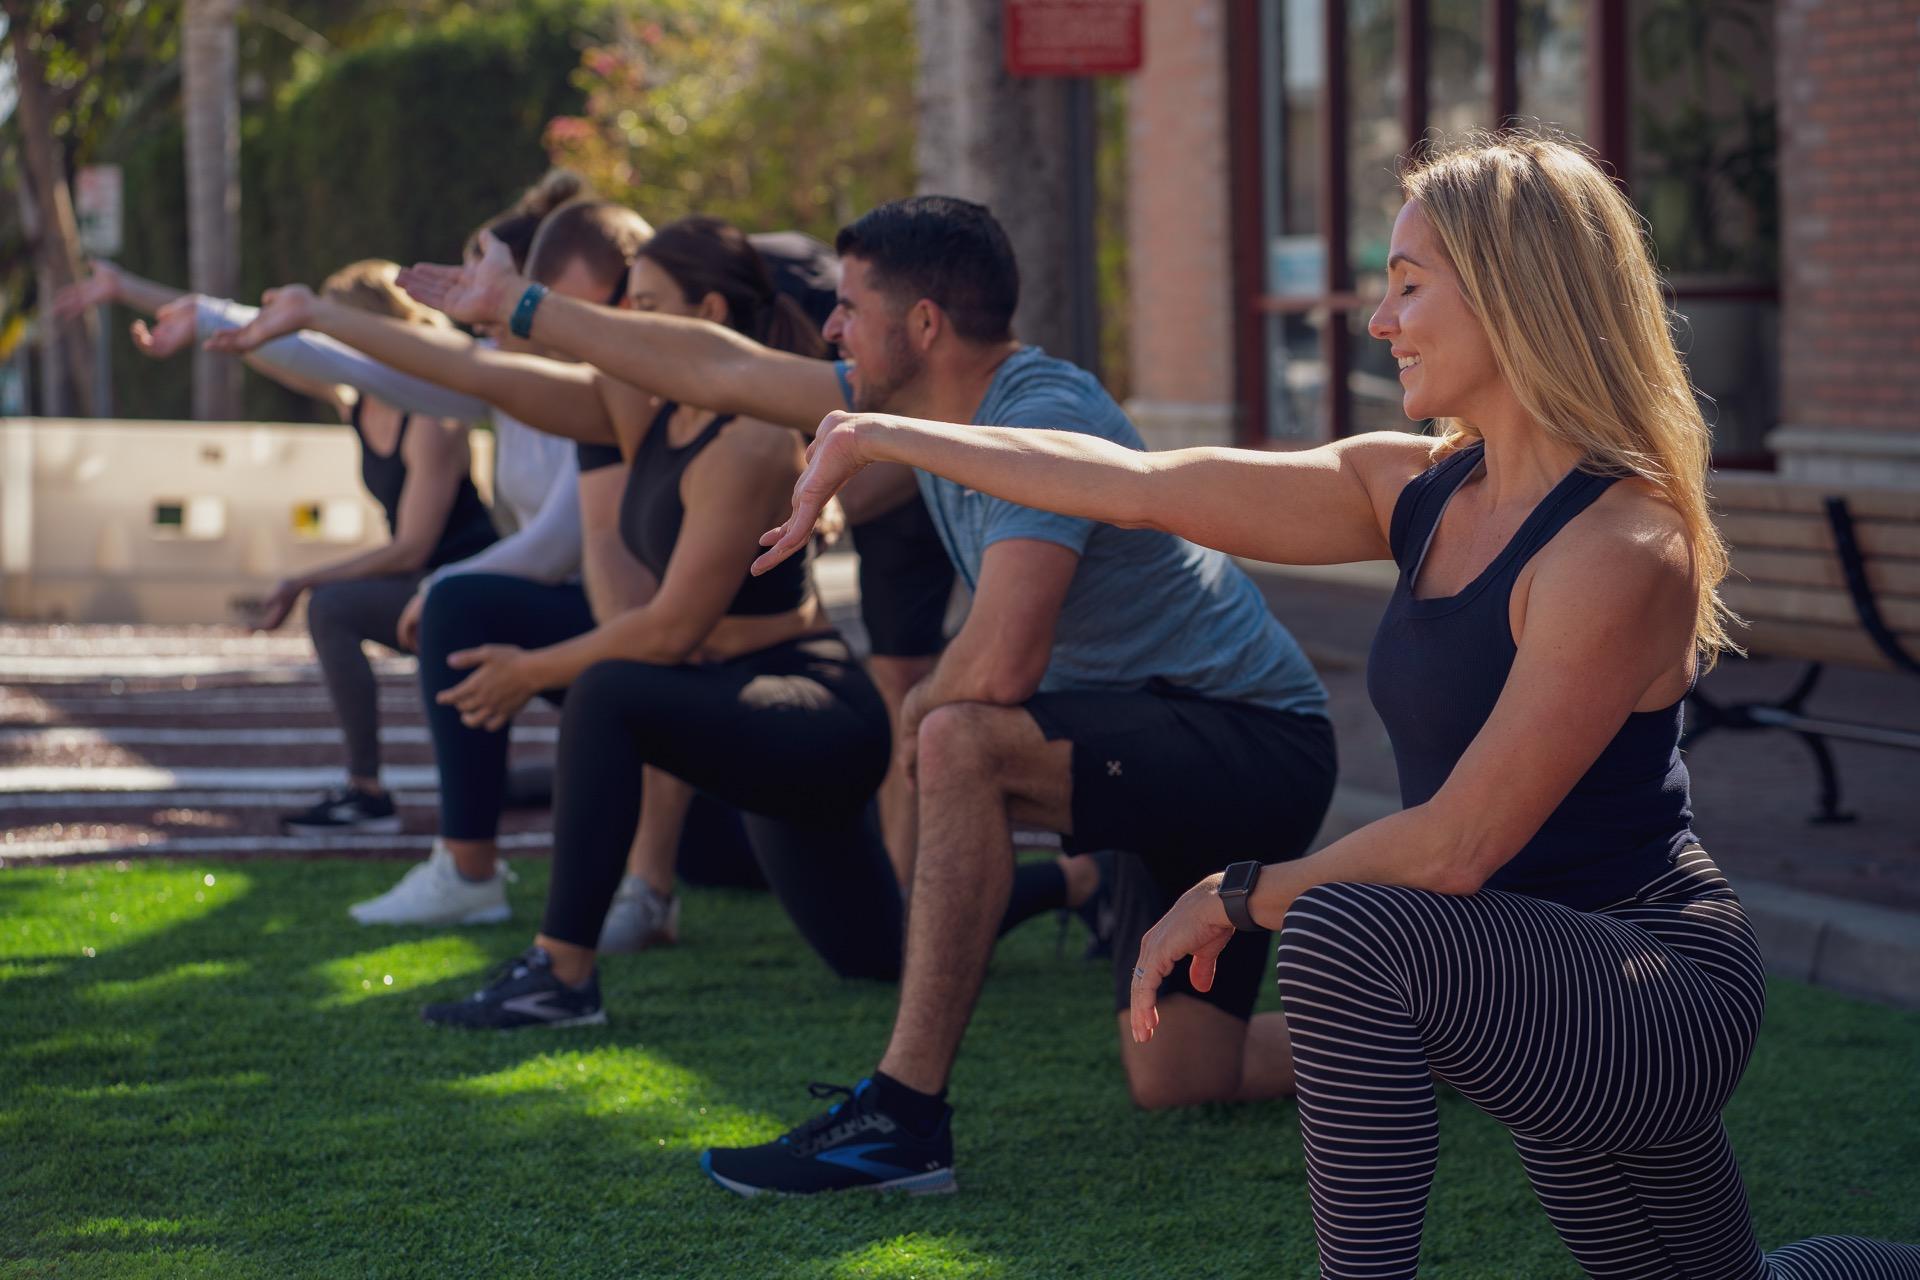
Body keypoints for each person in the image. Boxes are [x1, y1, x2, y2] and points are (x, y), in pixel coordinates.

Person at [746, 137, 1920, 1273]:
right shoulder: (1413, 488)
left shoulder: (1622, 544)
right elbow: (1145, 487)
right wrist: (880, 429)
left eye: (1409, 286)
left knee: (1343, 928)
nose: (1379, 320)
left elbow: (1457, 845)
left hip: (1651, 988)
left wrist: (1236, 894)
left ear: (1516, 296)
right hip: (1519, 975)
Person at [397, 195, 1336, 1183]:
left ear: (923, 325)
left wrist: (919, 713)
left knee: (961, 737)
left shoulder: (1040, 417)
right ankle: (1443, 1032)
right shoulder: (924, 407)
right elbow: (723, 367)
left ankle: (902, 1113)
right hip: (1155, 739)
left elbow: (1001, 665)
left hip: (1252, 740)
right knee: (1182, 1073)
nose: (831, 326)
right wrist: (527, 305)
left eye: (849, 307)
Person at [101, 260, 499, 837]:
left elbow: (413, 549)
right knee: (337, 610)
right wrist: (128, 289)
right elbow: (257, 341)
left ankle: (369, 796)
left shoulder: (435, 418)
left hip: (469, 585)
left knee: (332, 607)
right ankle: (370, 789)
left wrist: (302, 580)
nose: (327, 342)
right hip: (423, 588)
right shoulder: (358, 396)